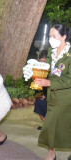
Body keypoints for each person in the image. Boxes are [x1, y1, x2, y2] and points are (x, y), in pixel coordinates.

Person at [34, 24, 71, 160]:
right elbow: (48, 69)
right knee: (57, 126)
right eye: (50, 36)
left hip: (66, 96)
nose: (51, 39)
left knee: (54, 125)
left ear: (64, 37)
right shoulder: (50, 51)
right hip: (52, 95)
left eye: (54, 36)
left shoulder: (70, 54)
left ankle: (51, 153)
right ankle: (52, 152)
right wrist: (38, 73)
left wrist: (49, 83)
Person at [33, 50, 48, 130]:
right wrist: (39, 94)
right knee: (39, 107)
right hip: (42, 93)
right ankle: (46, 126)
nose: (43, 64)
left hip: (53, 92)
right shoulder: (38, 69)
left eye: (44, 62)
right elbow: (35, 82)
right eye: (41, 62)